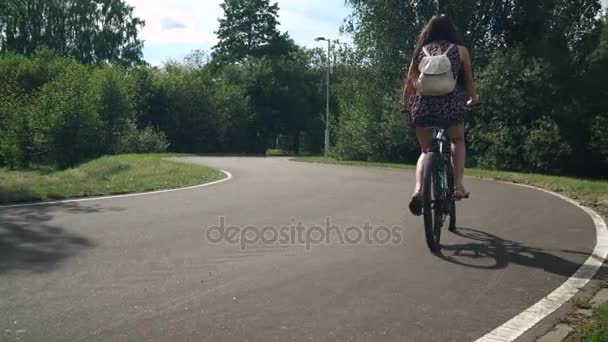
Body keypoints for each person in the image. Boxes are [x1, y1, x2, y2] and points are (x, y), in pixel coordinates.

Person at [401, 14, 479, 216]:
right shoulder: (460, 51)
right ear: (450, 31)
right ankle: (458, 186)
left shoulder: (420, 51)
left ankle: (418, 191)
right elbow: (469, 79)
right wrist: (473, 99)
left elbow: (410, 80)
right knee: (457, 139)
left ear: (428, 31)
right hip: (450, 105)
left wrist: (406, 103)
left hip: (423, 106)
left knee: (426, 150)